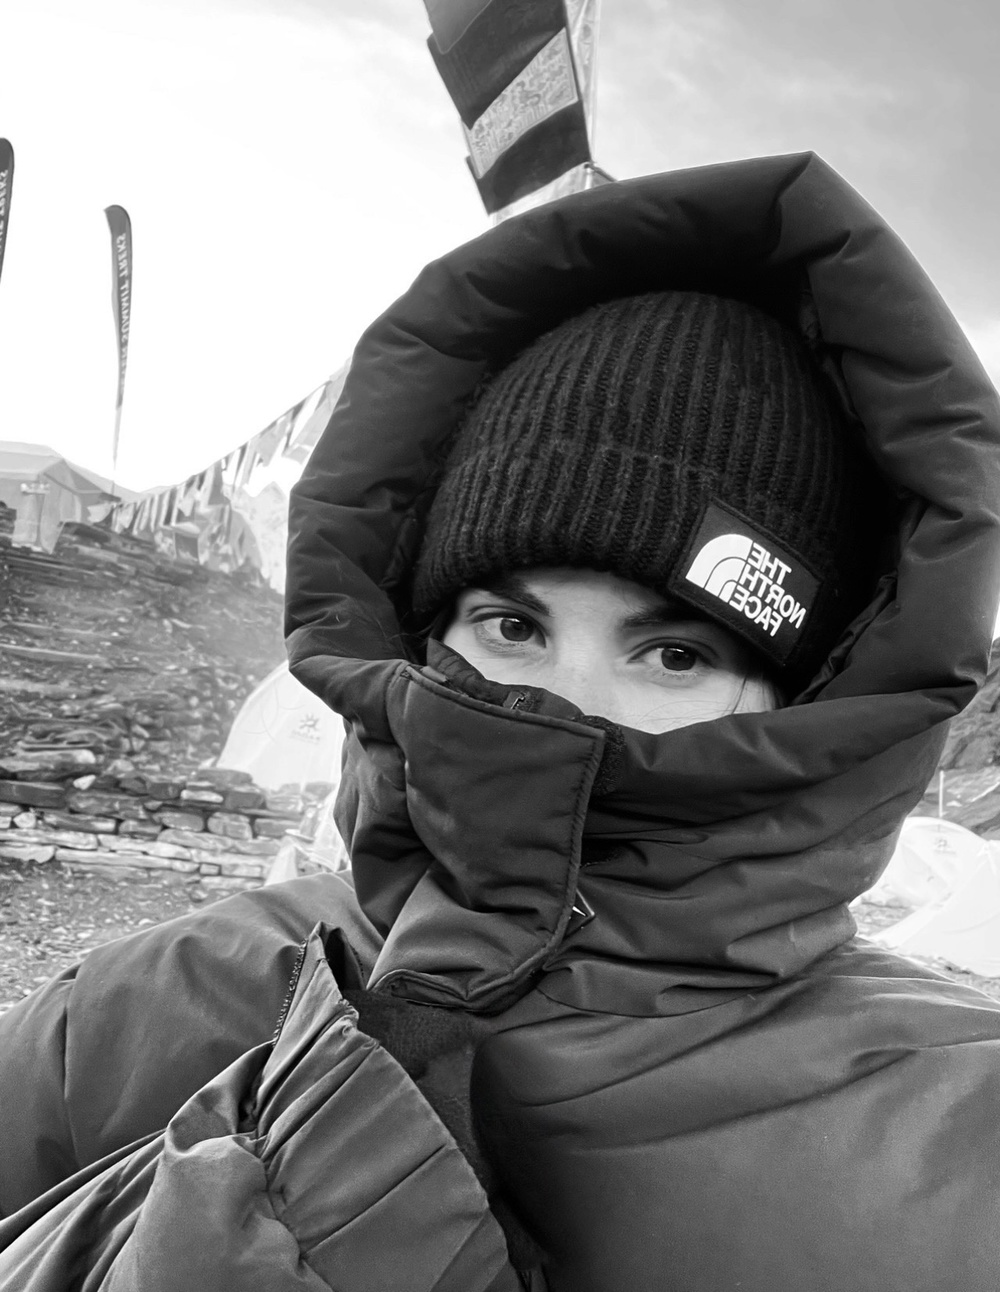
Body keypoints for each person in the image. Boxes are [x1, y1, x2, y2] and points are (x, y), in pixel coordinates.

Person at [1, 152, 1000, 1291]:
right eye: (512, 626)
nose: (562, 709)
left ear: (812, 693)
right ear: (421, 632)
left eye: (676, 654)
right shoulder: (134, 1013)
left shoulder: (957, 1153)